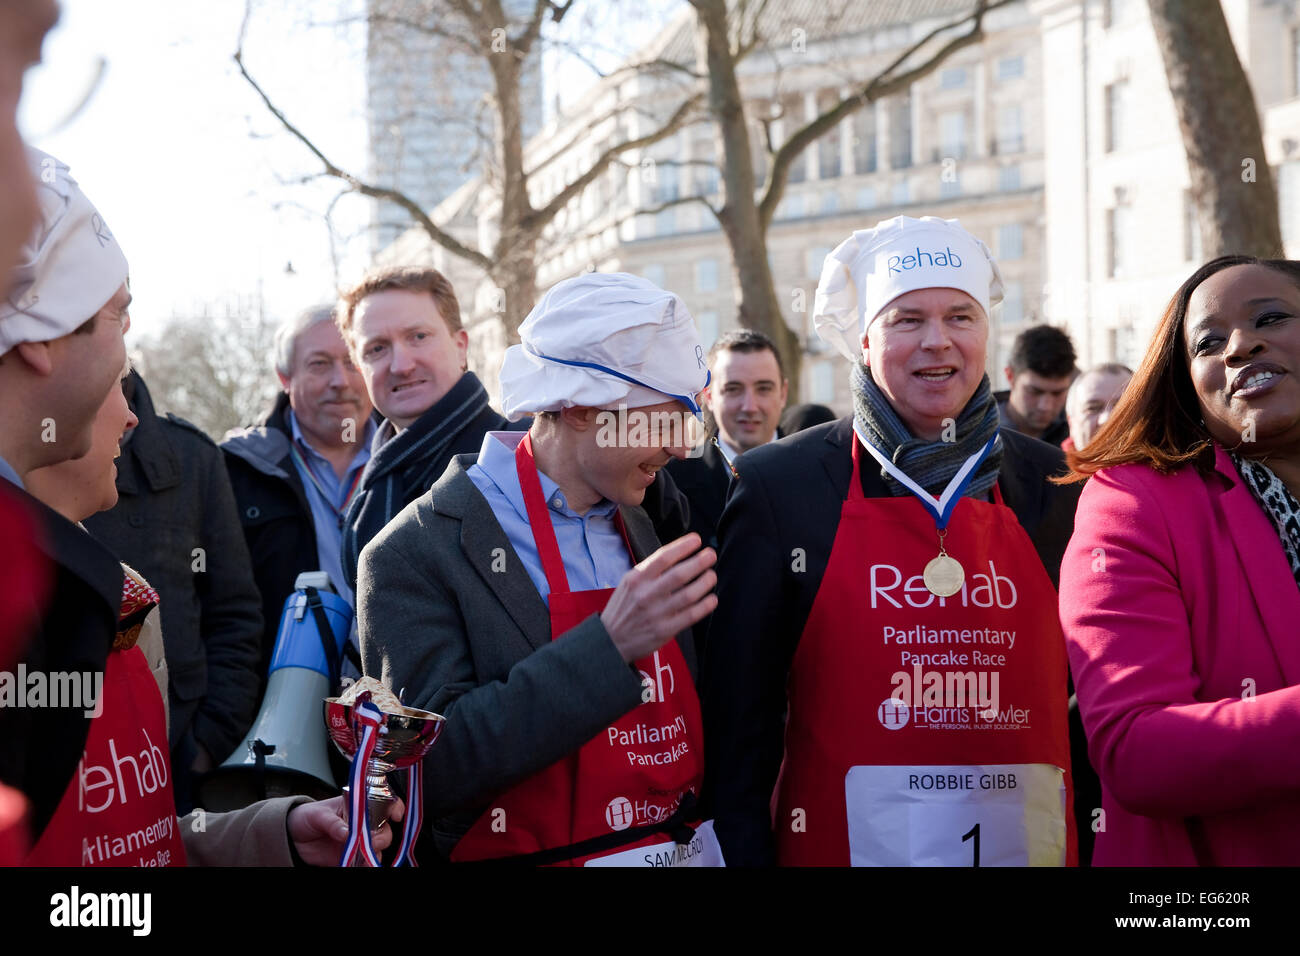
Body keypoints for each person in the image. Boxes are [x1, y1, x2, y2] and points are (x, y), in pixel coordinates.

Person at [704, 215, 1081, 866]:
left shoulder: (1055, 483)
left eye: (960, 317)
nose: (938, 343)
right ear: (865, 341)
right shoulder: (779, 486)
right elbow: (741, 727)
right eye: (908, 320)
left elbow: (1089, 709)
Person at [357, 272, 723, 865]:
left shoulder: (652, 513)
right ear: (578, 408)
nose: (683, 446)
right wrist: (608, 645)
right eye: (666, 417)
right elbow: (429, 772)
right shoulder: (414, 552)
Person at [24, 359, 399, 866]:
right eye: (113, 385)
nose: (131, 416)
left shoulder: (132, 589)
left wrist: (277, 831)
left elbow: (141, 837)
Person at [1059, 254, 1300, 865]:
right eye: (1208, 343)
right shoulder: (1132, 503)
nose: (1240, 346)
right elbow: (1136, 751)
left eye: (1270, 317)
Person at [84, 369, 263, 813]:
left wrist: (204, 745)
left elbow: (235, 612)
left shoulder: (192, 456)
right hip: (69, 765)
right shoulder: (34, 449)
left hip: (175, 756)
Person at [223, 305, 376, 686]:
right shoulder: (235, 471)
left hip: (401, 705)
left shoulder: (417, 460)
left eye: (353, 361)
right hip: (282, 711)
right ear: (284, 377)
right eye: (320, 364)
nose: (340, 380)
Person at [334, 266, 511, 592]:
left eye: (418, 337)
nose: (402, 365)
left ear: (461, 346)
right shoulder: (373, 486)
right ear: (361, 370)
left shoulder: (520, 452)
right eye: (377, 349)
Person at [666, 329, 786, 553]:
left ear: (783, 394)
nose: (749, 406)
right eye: (733, 389)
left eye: (763, 389)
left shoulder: (821, 471)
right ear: (708, 397)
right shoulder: (672, 483)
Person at [997, 324, 1078, 445]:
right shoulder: (971, 430)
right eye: (1034, 391)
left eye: (1058, 393)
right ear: (1010, 376)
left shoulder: (1078, 434)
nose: (1045, 406)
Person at [1064, 363, 1132, 452]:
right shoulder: (1050, 464)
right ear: (1071, 424)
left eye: (1121, 407)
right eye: (1093, 408)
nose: (1106, 419)